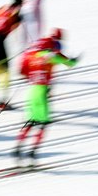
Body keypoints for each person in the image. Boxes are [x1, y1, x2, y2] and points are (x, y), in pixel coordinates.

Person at [13, 29, 78, 165]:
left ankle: (18, 148)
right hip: (42, 92)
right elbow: (70, 64)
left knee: (31, 121)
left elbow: (21, 71)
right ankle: (32, 153)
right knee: (43, 124)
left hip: (31, 91)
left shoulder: (31, 54)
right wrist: (75, 60)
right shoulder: (50, 54)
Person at [0, 0, 23, 109]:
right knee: (6, 72)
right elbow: (15, 28)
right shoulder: (17, 13)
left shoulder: (2, 8)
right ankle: (3, 101)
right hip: (0, 41)